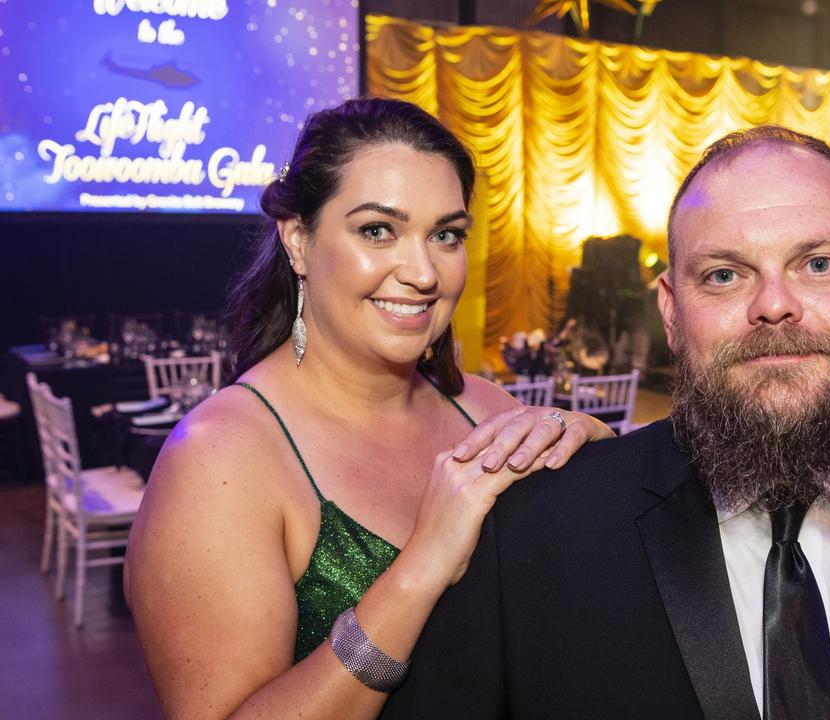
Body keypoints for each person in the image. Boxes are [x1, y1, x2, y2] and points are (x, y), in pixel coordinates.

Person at [383, 126, 830, 719]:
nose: (774, 305)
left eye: (818, 264)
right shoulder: (529, 544)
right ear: (672, 311)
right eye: (726, 275)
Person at [124, 98, 614, 719]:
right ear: (298, 241)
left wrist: (598, 472)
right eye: (378, 230)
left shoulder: (486, 411)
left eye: (446, 235)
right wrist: (423, 566)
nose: (422, 272)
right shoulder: (221, 457)